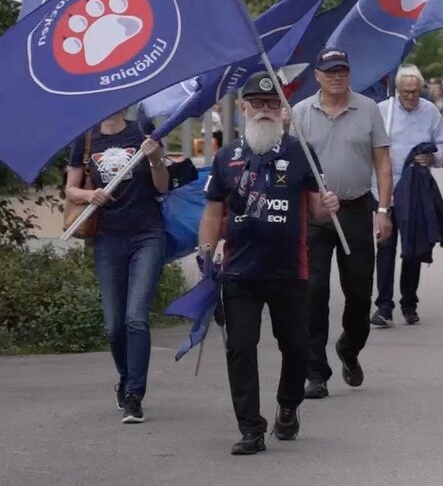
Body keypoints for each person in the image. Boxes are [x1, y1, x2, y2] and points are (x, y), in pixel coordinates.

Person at [198, 72, 341, 455]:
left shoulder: (301, 152)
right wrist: (205, 252)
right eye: (256, 104)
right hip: (239, 273)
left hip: (289, 271)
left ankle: (288, 405)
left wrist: (329, 209)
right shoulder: (226, 156)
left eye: (271, 104)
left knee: (296, 347)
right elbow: (213, 212)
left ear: (283, 111)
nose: (264, 111)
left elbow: (316, 212)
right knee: (240, 349)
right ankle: (250, 428)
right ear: (243, 108)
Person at [289, 48, 393, 400]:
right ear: (317, 75)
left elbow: (383, 162)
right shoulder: (301, 113)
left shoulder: (368, 110)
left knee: (360, 291)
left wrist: (383, 210)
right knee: (314, 292)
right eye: (330, 71)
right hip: (314, 213)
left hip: (355, 208)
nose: (337, 76)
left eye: (343, 71)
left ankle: (350, 347)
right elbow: (291, 166)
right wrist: (304, 201)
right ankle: (315, 371)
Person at [66, 109, 169, 425]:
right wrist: (89, 194)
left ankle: (135, 396)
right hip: (108, 238)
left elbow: (162, 186)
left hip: (147, 234)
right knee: (113, 325)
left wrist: (154, 159)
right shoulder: (85, 136)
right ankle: (126, 379)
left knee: (136, 316)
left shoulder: (142, 130)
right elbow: (70, 188)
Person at [371, 65, 443, 328]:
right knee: (385, 246)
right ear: (397, 90)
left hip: (415, 190)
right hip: (385, 189)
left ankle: (409, 302)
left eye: (415, 92)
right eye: (405, 92)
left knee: (413, 249)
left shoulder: (430, 112)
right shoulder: (383, 111)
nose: (410, 97)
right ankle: (384, 304)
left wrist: (432, 158)